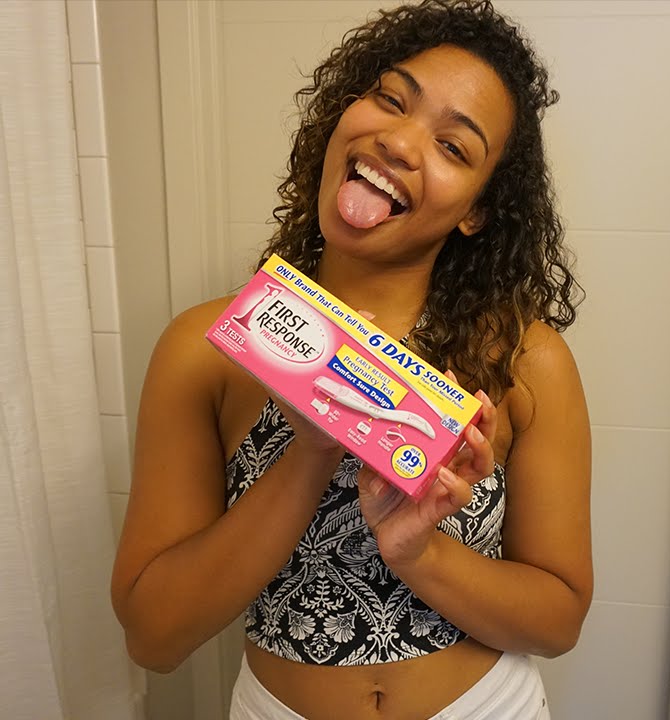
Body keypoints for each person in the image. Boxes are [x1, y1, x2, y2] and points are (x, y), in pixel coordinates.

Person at [110, 2, 592, 718]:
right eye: (390, 100)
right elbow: (153, 636)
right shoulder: (204, 351)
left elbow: (558, 621)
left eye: (453, 147)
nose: (399, 140)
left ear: (477, 211)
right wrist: (309, 450)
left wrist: (421, 554)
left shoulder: (523, 359)